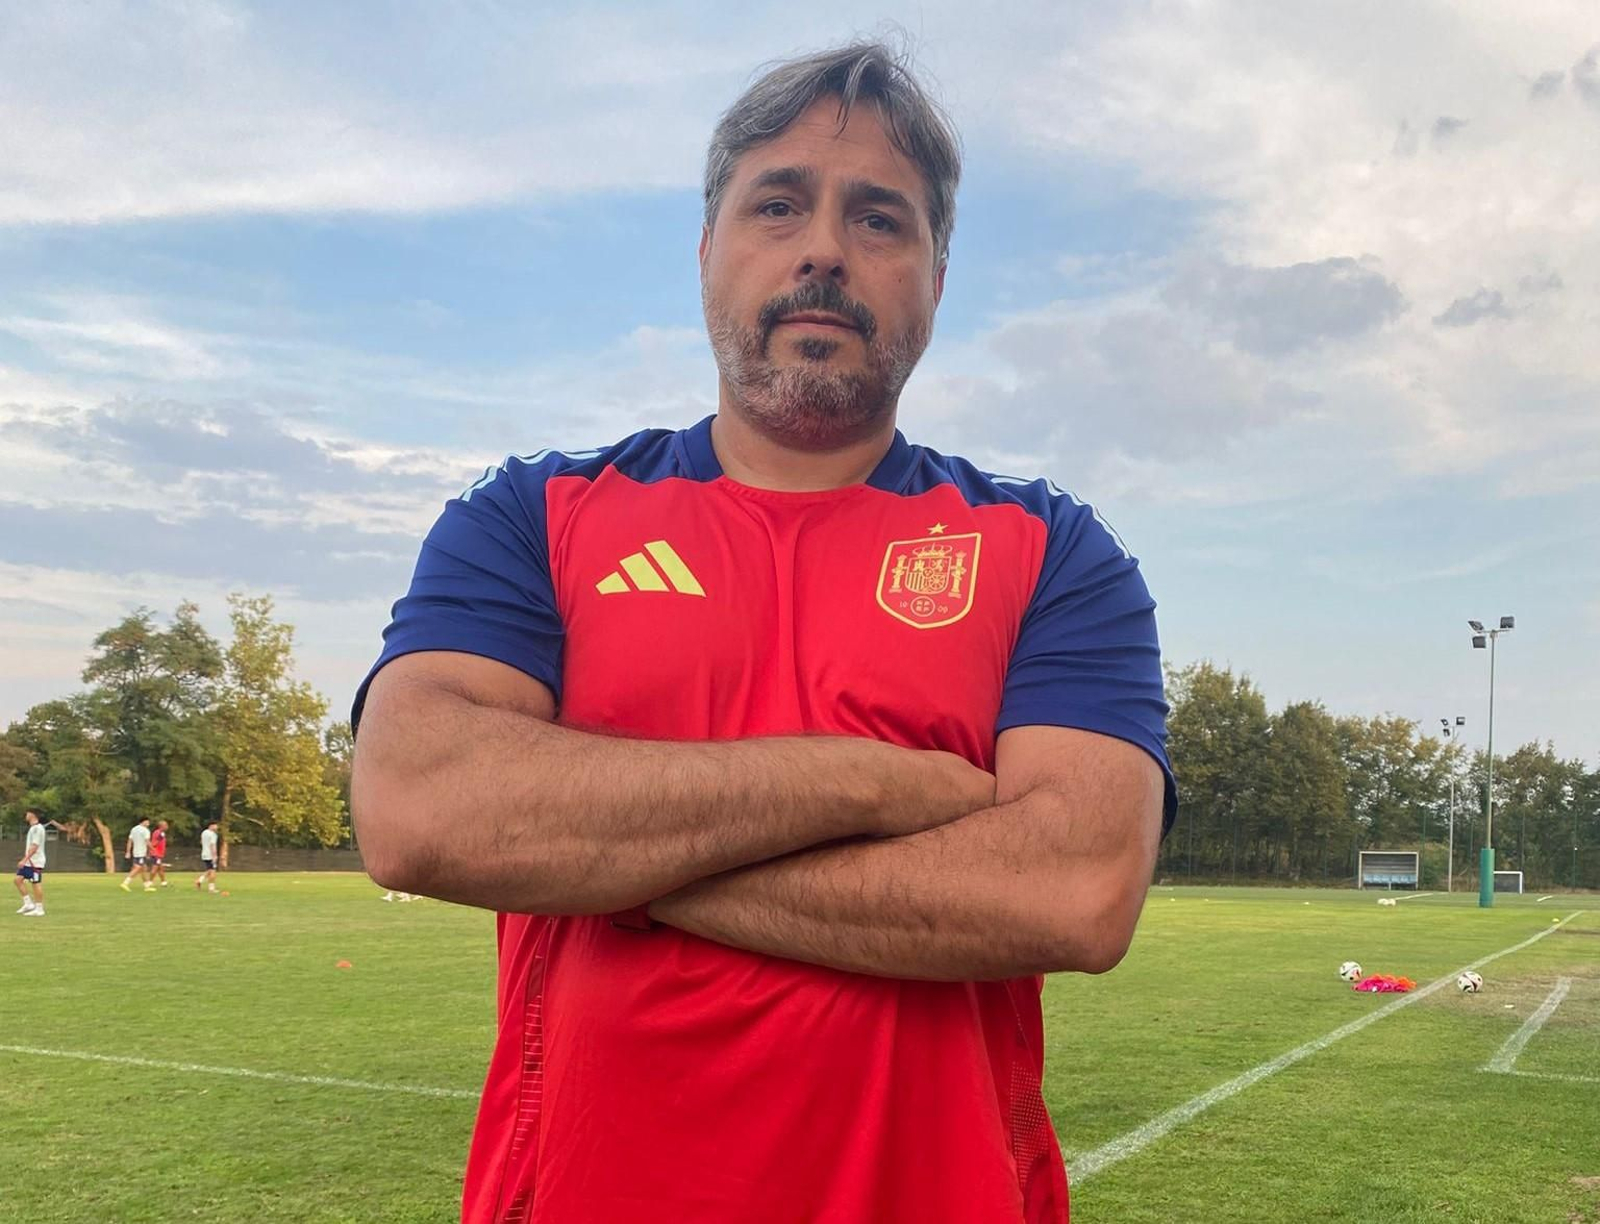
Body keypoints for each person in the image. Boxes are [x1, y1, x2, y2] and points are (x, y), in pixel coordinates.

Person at [351, 41, 1175, 1224]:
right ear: (708, 253)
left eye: (879, 219)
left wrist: (606, 861)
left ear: (937, 275)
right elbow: (420, 810)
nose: (824, 247)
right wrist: (879, 784)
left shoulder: (1053, 552)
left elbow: (1075, 888)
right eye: (777, 203)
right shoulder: (530, 517)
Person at [14, 808, 47, 917]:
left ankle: (39, 909)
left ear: (33, 815)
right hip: (30, 861)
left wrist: (24, 859)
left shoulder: (38, 829)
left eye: (27, 813)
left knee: (35, 883)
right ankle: (28, 904)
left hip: (35, 862)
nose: (26, 815)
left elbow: (34, 847)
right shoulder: (33, 828)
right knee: (18, 880)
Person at [120, 817, 154, 892]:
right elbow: (147, 842)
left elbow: (129, 841)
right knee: (138, 868)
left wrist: (128, 851)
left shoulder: (134, 829)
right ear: (143, 822)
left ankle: (147, 886)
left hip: (135, 852)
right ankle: (125, 883)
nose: (148, 823)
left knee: (144, 868)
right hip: (141, 852)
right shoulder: (145, 830)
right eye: (147, 821)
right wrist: (153, 849)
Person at [196, 821, 220, 893]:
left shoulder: (204, 832)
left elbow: (201, 842)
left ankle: (199, 880)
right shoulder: (213, 835)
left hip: (204, 853)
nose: (217, 827)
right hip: (210, 855)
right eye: (215, 825)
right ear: (211, 826)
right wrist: (214, 855)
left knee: (209, 870)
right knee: (213, 871)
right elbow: (212, 845)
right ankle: (211, 888)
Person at [149, 819, 171, 887]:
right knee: (155, 868)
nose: (167, 826)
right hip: (156, 854)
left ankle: (163, 882)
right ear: (161, 826)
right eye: (166, 825)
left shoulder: (161, 833)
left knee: (160, 868)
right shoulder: (158, 833)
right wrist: (159, 839)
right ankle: (149, 882)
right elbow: (154, 843)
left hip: (159, 854)